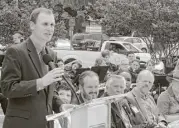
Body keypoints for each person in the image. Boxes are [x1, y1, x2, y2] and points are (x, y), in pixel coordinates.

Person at [1, 8, 64, 128]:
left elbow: (50, 91)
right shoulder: (16, 52)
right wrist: (41, 82)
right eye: (45, 24)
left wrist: (60, 105)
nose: (50, 28)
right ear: (32, 25)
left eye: (52, 24)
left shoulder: (51, 55)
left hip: (46, 124)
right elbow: (7, 88)